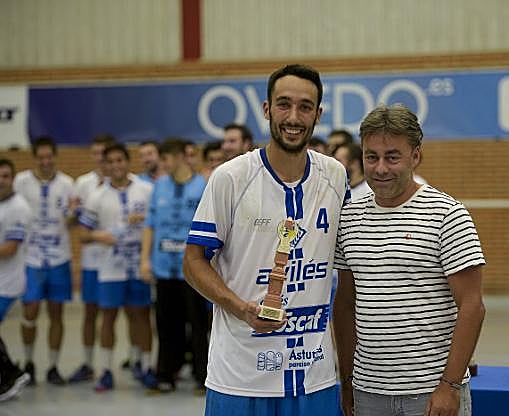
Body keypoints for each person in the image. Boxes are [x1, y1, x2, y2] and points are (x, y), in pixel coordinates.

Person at [183, 64, 350, 416]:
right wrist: (240, 308)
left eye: (305, 107)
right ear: (266, 109)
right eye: (284, 104)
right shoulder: (231, 177)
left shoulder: (335, 176)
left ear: (318, 115)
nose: (294, 117)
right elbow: (193, 261)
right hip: (240, 377)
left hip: (314, 376)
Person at [333, 104, 486, 416]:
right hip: (368, 392)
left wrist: (449, 385)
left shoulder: (448, 215)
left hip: (431, 393)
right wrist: (347, 380)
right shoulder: (348, 218)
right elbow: (345, 304)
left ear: (416, 156)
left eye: (392, 157)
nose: (380, 168)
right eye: (371, 157)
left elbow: (472, 306)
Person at [78, 143, 155, 392]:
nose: (115, 165)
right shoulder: (97, 195)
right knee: (108, 317)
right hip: (110, 267)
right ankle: (105, 371)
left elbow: (156, 222)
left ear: (127, 161)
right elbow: (82, 234)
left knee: (141, 315)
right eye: (110, 162)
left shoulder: (146, 189)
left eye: (119, 160)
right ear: (105, 165)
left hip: (139, 265)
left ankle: (144, 366)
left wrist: (144, 220)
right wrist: (98, 235)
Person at [140, 138, 209, 393]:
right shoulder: (159, 186)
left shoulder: (202, 186)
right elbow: (149, 225)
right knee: (166, 324)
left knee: (198, 324)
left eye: (166, 158)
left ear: (180, 156)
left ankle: (202, 376)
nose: (162, 163)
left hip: (192, 270)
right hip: (163, 268)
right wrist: (144, 260)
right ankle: (165, 375)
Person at [15, 136, 77, 386]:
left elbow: (71, 222)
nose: (45, 161)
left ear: (55, 156)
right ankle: (28, 361)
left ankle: (53, 365)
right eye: (40, 157)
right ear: (35, 158)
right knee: (30, 309)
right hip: (31, 257)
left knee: (56, 313)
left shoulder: (67, 184)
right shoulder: (21, 182)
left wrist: (73, 214)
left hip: (59, 257)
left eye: (49, 156)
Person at [68, 134, 116, 383]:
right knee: (90, 312)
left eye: (103, 153)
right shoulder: (83, 183)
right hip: (91, 260)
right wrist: (71, 213)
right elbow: (73, 222)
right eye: (96, 153)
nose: (100, 158)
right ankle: (87, 363)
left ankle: (131, 361)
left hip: (117, 261)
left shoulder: (128, 182)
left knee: (121, 313)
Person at [0, 158, 32, 401]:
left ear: (13, 179)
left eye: (6, 176)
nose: (1, 181)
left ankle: (11, 375)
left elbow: (10, 249)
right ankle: (10, 374)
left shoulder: (18, 208)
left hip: (8, 283)